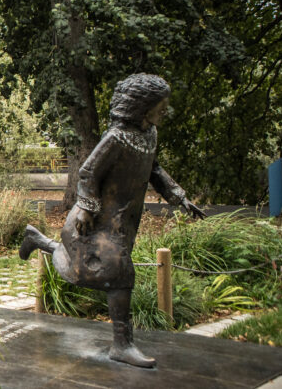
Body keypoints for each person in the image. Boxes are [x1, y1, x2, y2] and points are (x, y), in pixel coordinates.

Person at [19, 73, 204, 368]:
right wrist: (86, 207)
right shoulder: (116, 138)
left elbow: (154, 169)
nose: (165, 111)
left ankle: (38, 240)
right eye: (161, 106)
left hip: (123, 220)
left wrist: (179, 197)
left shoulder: (149, 136)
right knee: (120, 274)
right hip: (95, 219)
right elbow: (88, 173)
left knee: (92, 270)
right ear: (143, 106)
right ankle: (122, 345)